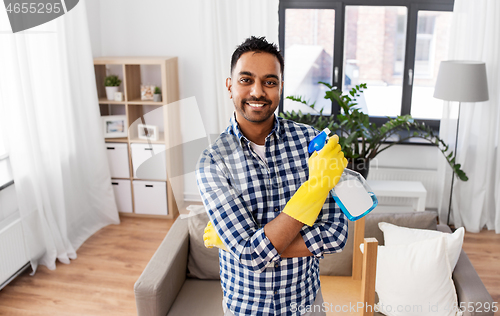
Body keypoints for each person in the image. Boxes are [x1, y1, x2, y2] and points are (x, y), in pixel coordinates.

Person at [196, 36, 348, 316]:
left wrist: (254, 245)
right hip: (245, 309)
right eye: (245, 80)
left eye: (269, 81)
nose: (258, 91)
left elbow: (336, 235)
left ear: (280, 88)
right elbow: (251, 256)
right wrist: (314, 189)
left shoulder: (311, 142)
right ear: (230, 86)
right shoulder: (212, 163)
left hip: (307, 305)